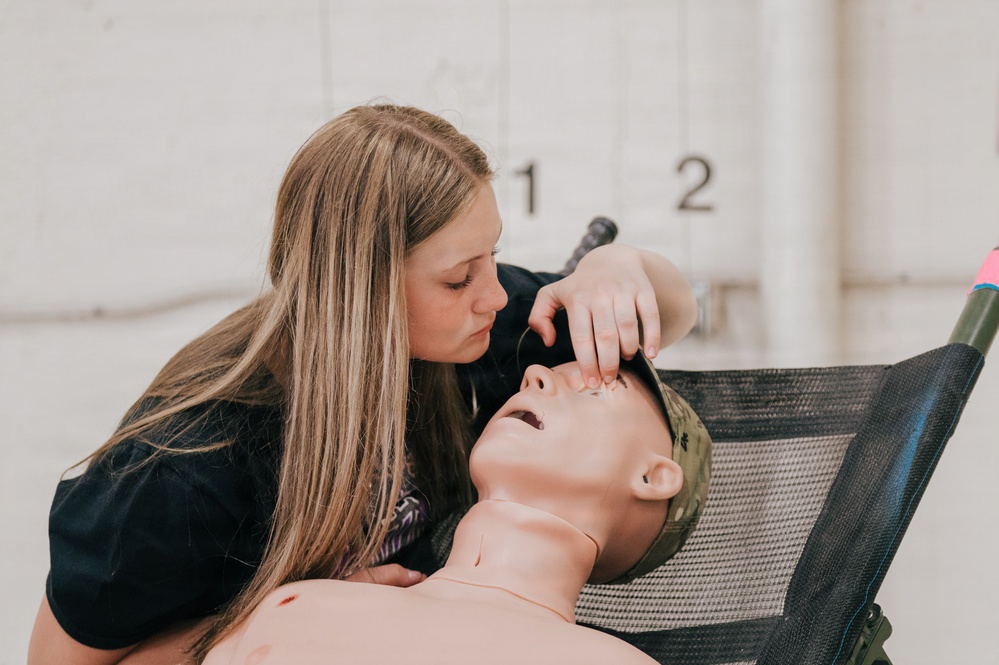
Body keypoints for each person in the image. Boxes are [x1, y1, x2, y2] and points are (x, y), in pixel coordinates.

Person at [27, 104, 699, 665]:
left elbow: (671, 313)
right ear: (362, 292)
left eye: (491, 255)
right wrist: (277, 617)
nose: (496, 294)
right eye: (458, 276)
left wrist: (616, 267)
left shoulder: (470, 334)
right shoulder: (184, 468)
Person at [202, 357, 712, 664]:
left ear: (654, 477)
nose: (533, 375)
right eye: (541, 373)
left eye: (596, 389)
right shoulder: (294, 604)